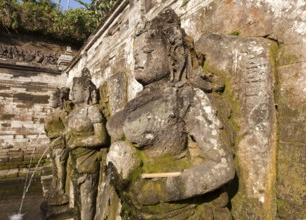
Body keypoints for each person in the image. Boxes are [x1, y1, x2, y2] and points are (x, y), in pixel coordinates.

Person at [106, 8, 235, 219]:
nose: (139, 61)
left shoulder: (185, 97)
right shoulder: (136, 102)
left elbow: (223, 166)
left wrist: (161, 190)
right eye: (135, 55)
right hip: (133, 204)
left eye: (148, 53)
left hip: (173, 209)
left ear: (173, 54)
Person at [65, 68, 108, 220]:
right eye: (71, 90)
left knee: (86, 199)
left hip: (88, 160)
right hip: (74, 159)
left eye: (75, 90)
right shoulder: (72, 113)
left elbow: (101, 138)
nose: (72, 94)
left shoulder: (93, 112)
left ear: (86, 92)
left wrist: (78, 142)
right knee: (78, 199)